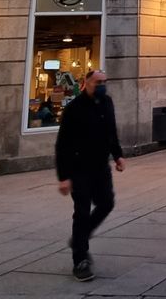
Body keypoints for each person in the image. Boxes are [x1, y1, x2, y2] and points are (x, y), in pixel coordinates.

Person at [56, 70, 126, 282]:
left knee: (106, 203)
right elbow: (62, 145)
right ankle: (80, 260)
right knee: (82, 211)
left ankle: (80, 237)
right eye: (98, 82)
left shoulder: (107, 102)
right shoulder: (73, 109)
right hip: (79, 169)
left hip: (100, 167)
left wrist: (118, 155)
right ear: (85, 83)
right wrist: (64, 176)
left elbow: (111, 131)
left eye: (105, 81)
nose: (102, 85)